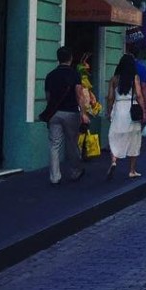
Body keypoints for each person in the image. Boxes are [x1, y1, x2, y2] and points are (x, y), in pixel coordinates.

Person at [43, 45, 87, 185]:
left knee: (54, 145)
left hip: (54, 113)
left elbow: (48, 97)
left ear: (58, 59)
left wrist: (52, 109)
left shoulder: (50, 75)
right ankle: (75, 170)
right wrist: (83, 113)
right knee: (72, 143)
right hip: (71, 113)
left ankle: (55, 176)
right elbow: (79, 95)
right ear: (71, 58)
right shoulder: (74, 74)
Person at [106, 54, 146, 179]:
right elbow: (139, 95)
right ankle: (132, 170)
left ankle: (114, 161)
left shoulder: (114, 79)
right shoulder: (135, 78)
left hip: (118, 109)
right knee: (134, 140)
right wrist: (144, 110)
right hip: (131, 109)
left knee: (114, 136)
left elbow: (110, 97)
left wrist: (109, 111)